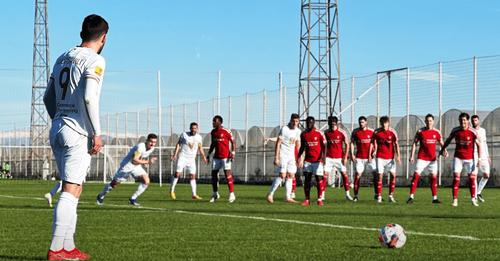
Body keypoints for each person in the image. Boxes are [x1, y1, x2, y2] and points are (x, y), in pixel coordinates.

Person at [43, 14, 108, 260]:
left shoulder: (62, 57)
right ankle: (57, 249)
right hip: (77, 131)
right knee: (70, 190)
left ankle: (68, 247)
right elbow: (90, 97)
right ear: (104, 37)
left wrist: (58, 119)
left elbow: (48, 98)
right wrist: (96, 133)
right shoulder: (95, 59)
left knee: (75, 188)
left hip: (58, 126)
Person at [96, 134, 158, 206]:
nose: (152, 144)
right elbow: (134, 160)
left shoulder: (152, 148)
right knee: (114, 184)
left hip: (136, 167)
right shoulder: (140, 147)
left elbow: (140, 157)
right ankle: (101, 195)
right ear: (147, 140)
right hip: (127, 166)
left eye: (154, 142)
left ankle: (132, 199)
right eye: (151, 141)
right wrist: (148, 162)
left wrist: (144, 163)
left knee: (146, 181)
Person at [440, 112, 482, 207]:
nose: (462, 122)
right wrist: (442, 149)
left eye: (464, 120)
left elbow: (479, 145)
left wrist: (479, 159)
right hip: (458, 158)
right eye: (460, 120)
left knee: (472, 179)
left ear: (467, 121)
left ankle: (473, 199)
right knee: (456, 178)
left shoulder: (473, 132)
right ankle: (455, 200)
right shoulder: (455, 130)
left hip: (469, 159)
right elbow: (448, 140)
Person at [407, 114, 444, 204]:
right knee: (416, 176)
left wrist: (445, 150)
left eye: (430, 120)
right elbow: (415, 143)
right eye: (427, 121)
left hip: (432, 159)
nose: (429, 122)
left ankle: (434, 198)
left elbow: (442, 143)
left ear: (433, 121)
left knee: (434, 178)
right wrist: (412, 156)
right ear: (425, 121)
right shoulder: (420, 131)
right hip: (422, 158)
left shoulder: (437, 132)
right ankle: (411, 197)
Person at [266, 113, 301, 203]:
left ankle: (287, 197)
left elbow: (298, 144)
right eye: (293, 121)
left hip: (291, 156)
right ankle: (270, 194)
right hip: (283, 155)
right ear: (290, 120)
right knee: (282, 175)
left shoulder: (298, 131)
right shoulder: (284, 129)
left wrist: (300, 157)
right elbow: (278, 143)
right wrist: (276, 157)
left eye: (297, 121)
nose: (295, 123)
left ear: (298, 122)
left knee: (290, 175)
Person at [170, 122, 208, 200]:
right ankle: (172, 190)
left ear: (197, 129)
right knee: (177, 174)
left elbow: (200, 148)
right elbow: (178, 145)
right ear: (190, 128)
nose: (193, 130)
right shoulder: (184, 134)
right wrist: (175, 154)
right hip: (183, 157)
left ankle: (194, 194)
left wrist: (204, 157)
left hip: (191, 159)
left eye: (195, 128)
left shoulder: (199, 137)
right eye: (192, 128)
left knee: (193, 176)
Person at [370, 116, 401, 203]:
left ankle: (391, 196)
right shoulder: (377, 132)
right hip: (380, 157)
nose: (384, 125)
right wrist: (371, 154)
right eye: (383, 123)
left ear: (388, 123)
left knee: (393, 175)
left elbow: (396, 144)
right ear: (381, 124)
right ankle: (379, 196)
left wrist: (398, 156)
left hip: (390, 158)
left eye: (386, 123)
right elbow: (372, 143)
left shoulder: (392, 132)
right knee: (380, 176)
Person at [298, 116, 326, 206]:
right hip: (308, 161)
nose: (309, 124)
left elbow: (324, 146)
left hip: (318, 161)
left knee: (319, 179)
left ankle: (319, 199)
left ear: (314, 123)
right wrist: (298, 156)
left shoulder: (319, 133)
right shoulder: (303, 134)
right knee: (307, 180)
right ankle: (307, 200)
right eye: (308, 123)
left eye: (311, 123)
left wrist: (324, 157)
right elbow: (302, 147)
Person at [207, 115, 236, 203]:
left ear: (219, 122)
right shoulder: (213, 132)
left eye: (214, 121)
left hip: (226, 157)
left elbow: (233, 142)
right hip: (216, 157)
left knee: (227, 175)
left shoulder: (226, 131)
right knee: (214, 175)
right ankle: (215, 194)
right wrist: (209, 154)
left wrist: (233, 152)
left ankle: (232, 194)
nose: (213, 123)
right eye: (213, 121)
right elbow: (212, 144)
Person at [323, 116, 353, 201]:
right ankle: (322, 195)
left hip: (339, 158)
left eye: (333, 124)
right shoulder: (325, 132)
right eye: (330, 124)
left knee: (344, 175)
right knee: (324, 176)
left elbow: (347, 144)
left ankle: (347, 194)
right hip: (328, 158)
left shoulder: (342, 132)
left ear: (336, 123)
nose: (332, 126)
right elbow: (323, 146)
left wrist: (345, 157)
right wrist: (323, 157)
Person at [350, 116, 376, 202]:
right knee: (358, 175)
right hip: (359, 158)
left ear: (366, 122)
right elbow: (352, 144)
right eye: (360, 122)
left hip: (370, 158)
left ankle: (377, 195)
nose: (361, 124)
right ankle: (356, 195)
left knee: (375, 175)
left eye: (362, 122)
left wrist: (374, 152)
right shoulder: (355, 132)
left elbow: (375, 144)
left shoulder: (372, 131)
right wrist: (352, 154)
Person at [471, 115, 491, 202]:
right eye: (473, 121)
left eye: (475, 120)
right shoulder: (470, 131)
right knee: (474, 175)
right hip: (474, 155)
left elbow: (484, 143)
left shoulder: (483, 131)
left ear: (478, 121)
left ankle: (478, 192)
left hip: (483, 156)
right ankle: (474, 195)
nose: (474, 122)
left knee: (486, 175)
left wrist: (487, 155)